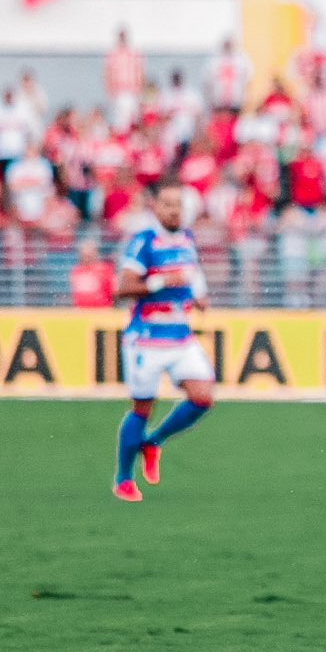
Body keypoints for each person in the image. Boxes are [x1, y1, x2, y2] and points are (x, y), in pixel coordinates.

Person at [110, 180, 216, 502]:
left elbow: (192, 272)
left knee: (203, 397)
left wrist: (198, 295)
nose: (174, 210)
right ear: (155, 208)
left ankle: (153, 442)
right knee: (142, 407)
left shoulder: (187, 238)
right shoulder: (145, 242)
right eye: (167, 204)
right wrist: (159, 281)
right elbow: (123, 288)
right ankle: (124, 478)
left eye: (178, 205)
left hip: (180, 334)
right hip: (146, 337)